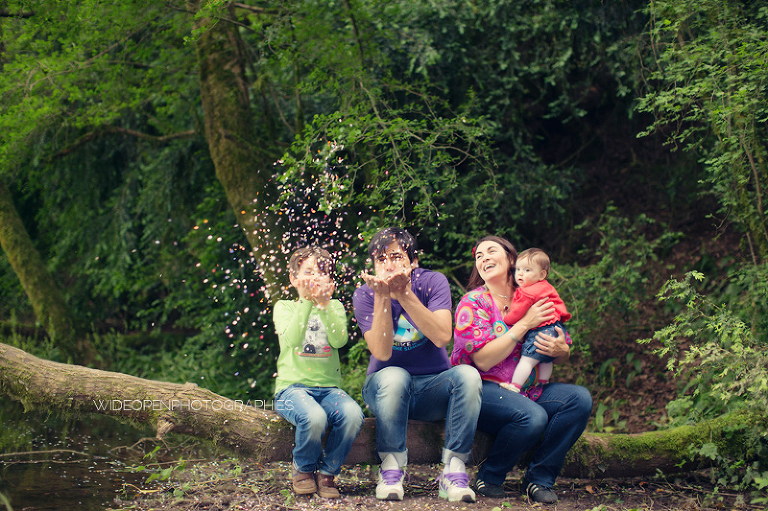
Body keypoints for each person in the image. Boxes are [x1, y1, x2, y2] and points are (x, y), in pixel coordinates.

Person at [451, 236, 591, 503]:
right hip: (482, 391)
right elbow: (482, 361)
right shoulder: (473, 303)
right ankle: (489, 476)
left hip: (528, 389)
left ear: (511, 259)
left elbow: (558, 340)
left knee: (578, 399)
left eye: (491, 251)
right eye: (478, 256)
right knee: (533, 416)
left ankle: (539, 479)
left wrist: (563, 351)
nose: (483, 258)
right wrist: (523, 324)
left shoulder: (536, 294)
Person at [353, 227, 481, 503]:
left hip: (432, 388)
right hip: (384, 389)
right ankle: (391, 467)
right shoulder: (366, 293)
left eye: (396, 256)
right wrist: (385, 297)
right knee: (395, 376)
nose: (388, 265)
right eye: (380, 259)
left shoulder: (432, 282)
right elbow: (382, 351)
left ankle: (454, 469)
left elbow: (442, 336)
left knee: (468, 376)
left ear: (413, 261)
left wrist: (404, 294)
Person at [273, 246, 364, 499]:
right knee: (314, 417)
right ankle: (302, 469)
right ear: (294, 279)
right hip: (292, 389)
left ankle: (328, 472)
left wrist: (323, 305)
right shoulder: (285, 307)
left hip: (329, 390)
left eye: (321, 271)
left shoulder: (333, 306)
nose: (315, 277)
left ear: (329, 279)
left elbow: (339, 340)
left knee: (353, 414)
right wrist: (304, 300)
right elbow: (291, 340)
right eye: (308, 271)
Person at [500, 248, 571, 393]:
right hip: (556, 327)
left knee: (527, 360)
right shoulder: (547, 287)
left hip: (541, 330)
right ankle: (543, 382)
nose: (520, 273)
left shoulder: (527, 291)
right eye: (518, 269)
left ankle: (515, 385)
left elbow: (517, 313)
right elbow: (558, 304)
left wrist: (506, 319)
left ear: (542, 274)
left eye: (527, 270)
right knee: (546, 358)